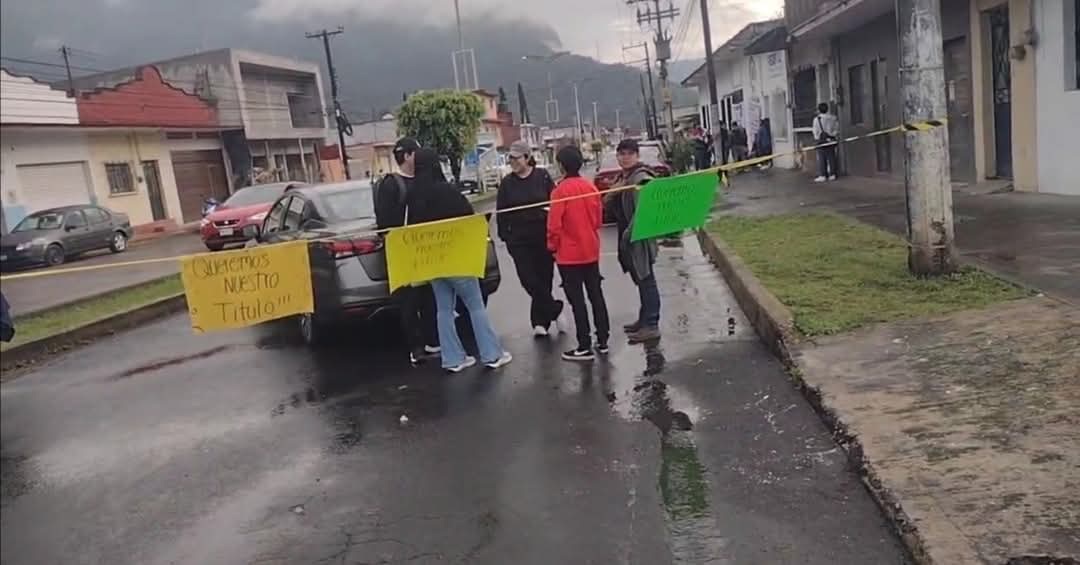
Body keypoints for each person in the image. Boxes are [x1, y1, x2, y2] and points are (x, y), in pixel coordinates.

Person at [406, 148, 513, 373]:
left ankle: (453, 359)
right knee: (475, 305)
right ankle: (491, 354)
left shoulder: (413, 195)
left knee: (443, 309)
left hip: (433, 262)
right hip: (458, 259)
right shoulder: (448, 191)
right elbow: (468, 216)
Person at [375, 137, 439, 366]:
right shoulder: (391, 184)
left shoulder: (424, 181)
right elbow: (384, 222)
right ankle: (416, 347)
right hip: (403, 252)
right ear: (409, 155)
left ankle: (432, 340)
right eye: (417, 154)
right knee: (409, 301)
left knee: (430, 297)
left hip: (426, 251)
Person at [547, 145, 610, 361]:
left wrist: (552, 247)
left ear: (561, 165)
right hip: (590, 250)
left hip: (568, 255)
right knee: (596, 295)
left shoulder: (559, 191)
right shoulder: (590, 187)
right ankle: (603, 340)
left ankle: (584, 345)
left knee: (577, 300)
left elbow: (554, 226)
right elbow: (598, 220)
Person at [496, 141, 564, 337]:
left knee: (544, 278)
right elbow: (502, 213)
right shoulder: (507, 183)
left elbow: (554, 203)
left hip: (542, 235)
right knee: (528, 279)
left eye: (516, 158)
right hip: (518, 239)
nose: (513, 162)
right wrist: (505, 236)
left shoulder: (542, 176)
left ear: (527, 158)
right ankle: (555, 308)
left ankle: (540, 321)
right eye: (510, 158)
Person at [606, 139, 662, 344]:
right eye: (621, 153)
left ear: (637, 155)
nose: (625, 157)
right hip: (630, 235)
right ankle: (644, 319)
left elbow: (643, 212)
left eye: (629, 153)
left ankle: (652, 324)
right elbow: (609, 206)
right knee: (641, 279)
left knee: (647, 280)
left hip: (639, 237)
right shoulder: (624, 178)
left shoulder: (640, 178)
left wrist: (629, 235)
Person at [812, 102, 839, 182]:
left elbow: (815, 131)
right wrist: (832, 135)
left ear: (819, 110)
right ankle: (832, 174)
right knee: (831, 157)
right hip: (831, 140)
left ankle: (822, 175)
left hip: (821, 141)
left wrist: (817, 138)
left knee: (821, 158)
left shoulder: (817, 119)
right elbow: (836, 129)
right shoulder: (833, 118)